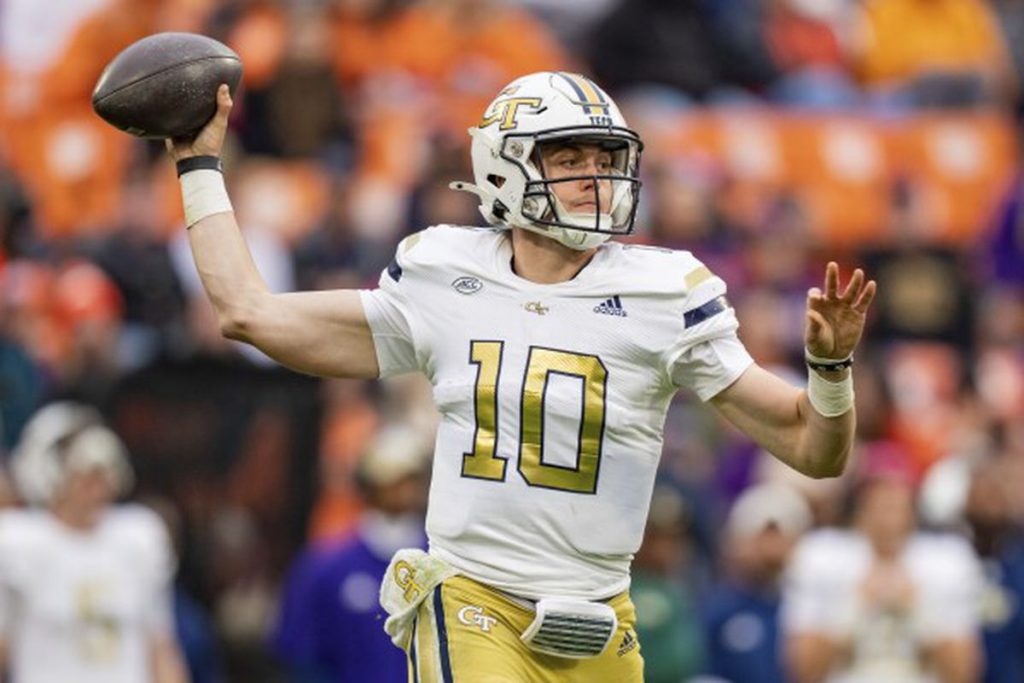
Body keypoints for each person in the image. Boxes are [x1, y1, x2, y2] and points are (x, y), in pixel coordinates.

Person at [166, 71, 875, 681]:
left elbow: (816, 449)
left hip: (601, 614)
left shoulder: (664, 292)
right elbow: (247, 311)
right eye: (571, 158)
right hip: (475, 599)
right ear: (503, 167)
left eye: (606, 157)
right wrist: (199, 168)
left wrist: (830, 368)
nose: (597, 176)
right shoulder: (446, 273)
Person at [0, 402, 188, 683]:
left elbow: (160, 645)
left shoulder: (139, 536)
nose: (97, 489)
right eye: (85, 478)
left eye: (102, 476)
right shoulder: (17, 542)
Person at [782, 449, 983, 683]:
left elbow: (963, 674)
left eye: (896, 500)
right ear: (859, 505)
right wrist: (855, 607)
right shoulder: (821, 555)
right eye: (877, 499)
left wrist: (919, 611)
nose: (887, 512)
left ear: (913, 506)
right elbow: (803, 672)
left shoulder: (948, 559)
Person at [272, 424, 430, 682]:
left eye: (410, 479)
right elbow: (303, 657)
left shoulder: (444, 568)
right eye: (393, 480)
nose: (403, 491)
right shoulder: (325, 568)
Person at [702, 482, 813, 683]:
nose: (771, 548)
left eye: (780, 536)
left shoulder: (808, 605)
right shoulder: (717, 606)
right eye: (763, 536)